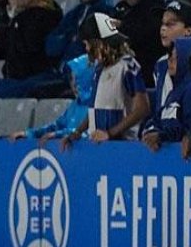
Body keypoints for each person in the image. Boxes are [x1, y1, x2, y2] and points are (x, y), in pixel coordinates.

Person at [61, 13, 150, 150]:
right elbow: (94, 110)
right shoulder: (99, 70)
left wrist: (110, 133)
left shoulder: (127, 66)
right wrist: (77, 132)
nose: (87, 49)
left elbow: (142, 108)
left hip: (122, 147)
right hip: (98, 146)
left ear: (99, 42)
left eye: (87, 44)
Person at [10, 54, 94, 144]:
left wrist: (57, 134)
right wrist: (30, 134)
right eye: (71, 79)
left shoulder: (95, 106)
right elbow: (57, 125)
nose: (73, 85)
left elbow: (87, 132)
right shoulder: (74, 105)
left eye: (78, 79)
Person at [140, 37, 191, 155]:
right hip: (168, 160)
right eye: (169, 57)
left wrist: (162, 136)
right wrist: (151, 130)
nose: (170, 61)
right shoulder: (174, 92)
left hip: (188, 162)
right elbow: (158, 119)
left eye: (175, 57)